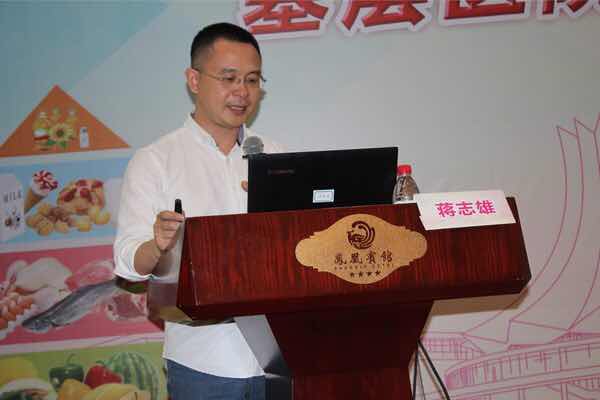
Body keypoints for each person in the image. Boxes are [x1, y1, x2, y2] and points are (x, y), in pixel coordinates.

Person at [113, 22, 283, 400]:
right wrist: (159, 245)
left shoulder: (274, 156)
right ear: (194, 80)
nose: (242, 92)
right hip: (203, 364)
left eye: (252, 80)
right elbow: (127, 261)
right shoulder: (156, 160)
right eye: (229, 78)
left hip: (278, 359)